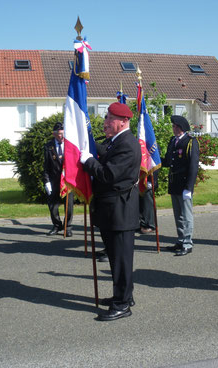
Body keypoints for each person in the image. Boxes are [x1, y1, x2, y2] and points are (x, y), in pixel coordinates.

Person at [80, 102, 141, 321]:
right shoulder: (116, 141)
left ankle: (122, 304)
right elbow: (104, 151)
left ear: (123, 122)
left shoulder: (127, 144)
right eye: (106, 118)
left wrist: (87, 161)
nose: (105, 123)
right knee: (117, 259)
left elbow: (107, 175)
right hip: (112, 210)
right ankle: (124, 295)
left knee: (122, 260)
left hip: (120, 211)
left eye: (110, 119)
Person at [162, 115, 199, 256]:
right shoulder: (173, 141)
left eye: (175, 126)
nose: (173, 128)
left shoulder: (190, 142)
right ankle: (181, 239)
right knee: (178, 214)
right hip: (174, 183)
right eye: (173, 126)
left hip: (184, 185)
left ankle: (188, 243)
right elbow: (168, 161)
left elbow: (193, 166)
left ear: (181, 128)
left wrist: (189, 188)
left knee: (186, 215)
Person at [43, 122, 74, 237]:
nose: (60, 136)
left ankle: (68, 227)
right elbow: (46, 166)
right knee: (53, 206)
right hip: (54, 180)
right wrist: (46, 182)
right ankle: (57, 225)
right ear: (54, 134)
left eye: (62, 134)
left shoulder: (70, 145)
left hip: (67, 180)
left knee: (69, 206)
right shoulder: (48, 146)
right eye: (58, 134)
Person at [139, 170, 159, 234]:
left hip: (148, 180)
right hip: (140, 180)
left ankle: (150, 225)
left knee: (148, 204)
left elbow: (154, 166)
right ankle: (142, 224)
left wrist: (151, 181)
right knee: (141, 203)